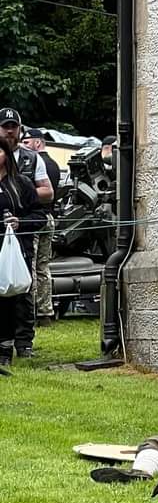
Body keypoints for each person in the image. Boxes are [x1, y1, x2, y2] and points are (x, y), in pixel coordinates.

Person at [0, 108, 53, 358]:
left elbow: (46, 196)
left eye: (13, 126)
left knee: (24, 287)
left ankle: (24, 343)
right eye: (4, 126)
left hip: (21, 240)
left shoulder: (28, 166)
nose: (9, 130)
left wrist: (19, 217)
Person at [21, 128, 61, 327]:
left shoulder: (35, 162)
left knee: (31, 265)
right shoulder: (53, 164)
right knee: (44, 266)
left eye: (27, 142)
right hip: (49, 217)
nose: (23, 146)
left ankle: (33, 312)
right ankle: (46, 310)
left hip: (35, 218)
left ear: (37, 143)